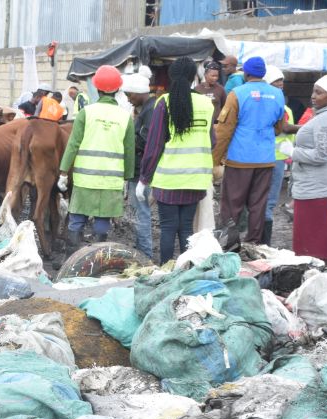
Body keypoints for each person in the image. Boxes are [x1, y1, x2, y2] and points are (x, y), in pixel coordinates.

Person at [139, 57, 215, 264]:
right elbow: (212, 142)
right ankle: (187, 270)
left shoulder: (164, 103)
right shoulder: (206, 104)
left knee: (168, 228)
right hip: (196, 180)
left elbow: (154, 145)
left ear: (171, 76)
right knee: (186, 229)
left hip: (169, 180)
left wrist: (144, 178)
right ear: (193, 77)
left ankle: (166, 270)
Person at [57, 65, 134, 254]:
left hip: (85, 179)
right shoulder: (126, 117)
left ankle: (71, 261)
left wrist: (63, 172)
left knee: (77, 219)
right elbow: (129, 151)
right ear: (118, 90)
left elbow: (73, 144)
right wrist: (127, 179)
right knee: (102, 221)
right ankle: (98, 264)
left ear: (97, 88)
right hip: (111, 181)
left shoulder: (86, 113)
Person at [213, 56, 286, 245]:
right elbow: (279, 127)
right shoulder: (277, 94)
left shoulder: (237, 93)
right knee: (258, 205)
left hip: (240, 158)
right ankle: (253, 243)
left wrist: (215, 159)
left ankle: (229, 245)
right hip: (266, 159)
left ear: (245, 73)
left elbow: (225, 130)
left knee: (232, 204)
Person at [288, 71, 327, 263]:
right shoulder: (323, 115)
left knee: (314, 242)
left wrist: (293, 153)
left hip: (318, 187)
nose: (313, 96)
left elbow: (323, 154)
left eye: (319, 92)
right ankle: (315, 277)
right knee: (312, 239)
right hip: (313, 185)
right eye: (314, 91)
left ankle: (316, 279)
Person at [122, 73, 156, 260]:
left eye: (130, 95)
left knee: (141, 214)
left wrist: (128, 141)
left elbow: (147, 142)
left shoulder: (149, 112)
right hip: (141, 170)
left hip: (142, 171)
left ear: (139, 92)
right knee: (140, 213)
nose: (129, 99)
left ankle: (145, 256)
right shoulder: (147, 108)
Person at [263, 66, 295, 244]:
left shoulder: (285, 109)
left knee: (264, 202)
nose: (281, 84)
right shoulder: (281, 108)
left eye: (282, 81)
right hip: (273, 159)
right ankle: (263, 242)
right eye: (276, 81)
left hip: (275, 158)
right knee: (267, 202)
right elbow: (285, 129)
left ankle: (260, 240)